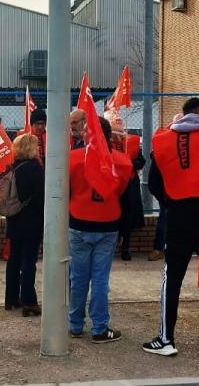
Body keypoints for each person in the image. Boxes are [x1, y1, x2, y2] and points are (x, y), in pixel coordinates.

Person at [141, 98, 199, 357]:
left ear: (183, 115)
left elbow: (153, 184)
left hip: (178, 218)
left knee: (172, 279)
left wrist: (171, 202)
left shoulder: (161, 142)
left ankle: (166, 339)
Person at [68, 116, 134, 344]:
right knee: (100, 279)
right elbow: (121, 192)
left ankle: (75, 325)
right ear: (108, 136)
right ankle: (99, 328)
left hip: (78, 221)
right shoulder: (123, 162)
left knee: (77, 278)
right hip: (107, 223)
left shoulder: (73, 159)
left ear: (89, 134)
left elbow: (65, 190)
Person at [4, 134, 45, 317]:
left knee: (14, 259)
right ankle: (29, 300)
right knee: (29, 261)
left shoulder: (13, 167)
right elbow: (41, 196)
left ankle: (11, 298)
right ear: (31, 148)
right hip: (31, 221)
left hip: (14, 219)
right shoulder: (35, 169)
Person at [109, 114, 145, 262]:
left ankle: (126, 248)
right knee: (112, 215)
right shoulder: (106, 142)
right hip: (113, 183)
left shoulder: (133, 141)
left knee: (128, 216)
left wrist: (129, 163)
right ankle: (112, 246)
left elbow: (141, 161)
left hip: (130, 184)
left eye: (120, 124)